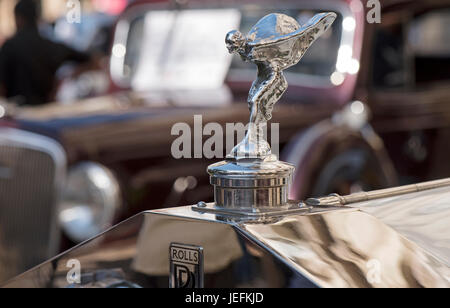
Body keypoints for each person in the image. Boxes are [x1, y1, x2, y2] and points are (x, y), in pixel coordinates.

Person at [0, 0, 92, 106]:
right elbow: (93, 59)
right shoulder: (50, 46)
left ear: (17, 18)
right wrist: (68, 77)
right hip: (47, 110)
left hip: (17, 112)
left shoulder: (9, 47)